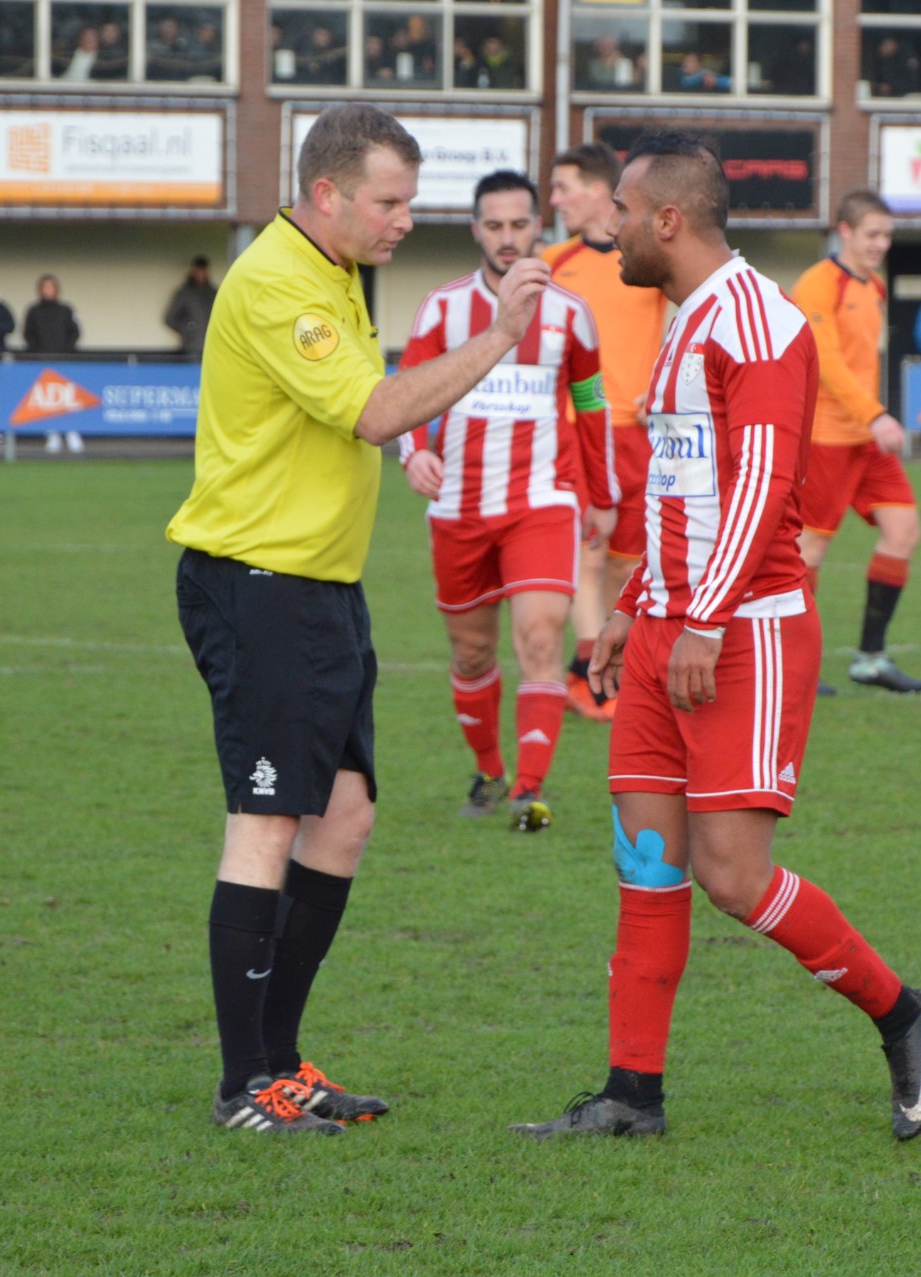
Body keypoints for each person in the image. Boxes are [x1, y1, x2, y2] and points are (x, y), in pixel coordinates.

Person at [511, 132, 921, 1143]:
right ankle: (632, 1092)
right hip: (670, 627)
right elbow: (684, 487)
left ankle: (903, 1010)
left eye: (620, 209)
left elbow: (760, 485)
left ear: (667, 218)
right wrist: (633, 608)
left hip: (743, 632)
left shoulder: (755, 318)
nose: (607, 227)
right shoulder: (687, 316)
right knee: (647, 856)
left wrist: (701, 614)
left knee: (733, 871)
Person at [165, 103, 552, 1136]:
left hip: (320, 592)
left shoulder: (331, 272)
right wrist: (503, 333)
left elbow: (341, 414)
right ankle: (243, 1081)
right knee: (266, 821)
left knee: (343, 819)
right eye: (389, 201)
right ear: (327, 192)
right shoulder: (285, 280)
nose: (403, 221)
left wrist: (395, 447)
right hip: (259, 586)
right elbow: (377, 405)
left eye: (410, 202)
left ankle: (281, 1061)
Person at [397, 170, 615, 832]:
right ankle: (489, 769)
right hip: (459, 506)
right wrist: (416, 452)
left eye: (520, 224)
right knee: (471, 653)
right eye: (494, 225)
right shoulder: (442, 310)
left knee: (542, 635)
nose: (508, 237)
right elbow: (408, 389)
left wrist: (601, 493)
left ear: (537, 229)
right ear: (475, 230)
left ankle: (529, 788)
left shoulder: (571, 313)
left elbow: (590, 400)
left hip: (540, 501)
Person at [546, 142, 670, 723]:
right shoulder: (551, 262)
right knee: (588, 560)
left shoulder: (643, 258)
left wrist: (663, 382)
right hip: (577, 434)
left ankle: (601, 665)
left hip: (639, 436)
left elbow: (684, 319)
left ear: (598, 192)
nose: (555, 200)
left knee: (626, 563)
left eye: (563, 188)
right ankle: (590, 676)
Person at [792, 191, 921, 697]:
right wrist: (874, 413)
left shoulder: (873, 286)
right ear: (844, 231)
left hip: (864, 440)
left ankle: (870, 659)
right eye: (873, 234)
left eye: (887, 235)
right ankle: (792, 667)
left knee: (904, 530)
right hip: (825, 438)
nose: (881, 244)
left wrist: (870, 419)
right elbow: (824, 362)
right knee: (808, 552)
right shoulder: (816, 284)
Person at [23, 275, 83, 453]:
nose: (48, 290)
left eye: (51, 287)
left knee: (69, 400)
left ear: (56, 289)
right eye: (45, 287)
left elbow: (75, 332)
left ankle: (72, 433)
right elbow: (28, 334)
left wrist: (65, 352)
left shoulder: (66, 310)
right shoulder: (33, 311)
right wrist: (38, 354)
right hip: (42, 363)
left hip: (65, 362)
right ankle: (52, 435)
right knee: (47, 400)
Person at [165, 256, 217, 359]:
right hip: (191, 347)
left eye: (203, 270)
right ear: (193, 271)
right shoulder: (184, 293)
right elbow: (169, 318)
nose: (201, 274)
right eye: (198, 270)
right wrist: (188, 330)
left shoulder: (213, 293)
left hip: (212, 346)